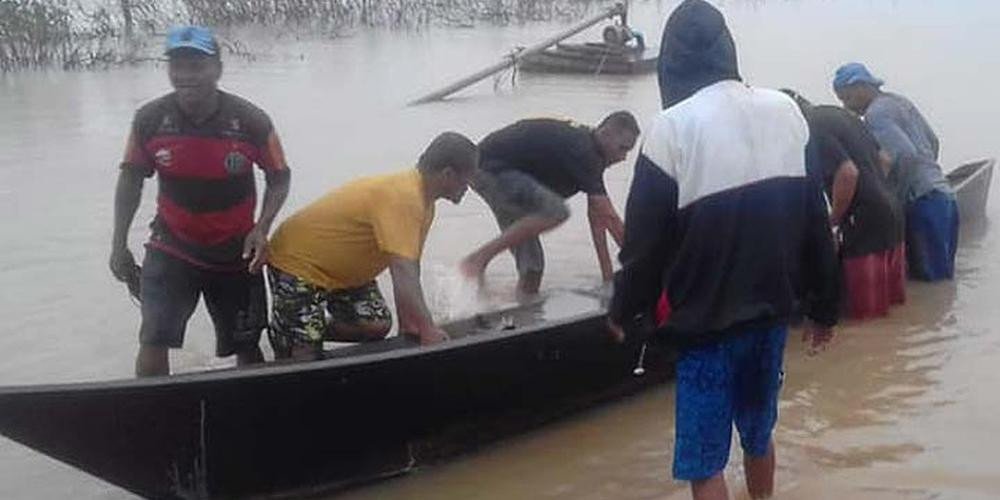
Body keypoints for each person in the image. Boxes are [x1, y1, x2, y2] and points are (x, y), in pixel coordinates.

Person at [607, 2, 839, 499]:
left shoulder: (671, 128)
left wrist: (626, 311)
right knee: (759, 434)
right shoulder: (787, 111)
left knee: (704, 462)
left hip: (705, 330)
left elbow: (643, 248)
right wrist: (825, 308)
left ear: (671, 63)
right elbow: (816, 223)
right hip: (772, 317)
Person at [109, 26, 291, 377]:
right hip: (172, 245)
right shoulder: (149, 120)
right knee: (153, 337)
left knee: (247, 343)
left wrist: (262, 227)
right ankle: (150, 413)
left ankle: (250, 411)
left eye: (197, 66)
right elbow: (131, 178)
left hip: (237, 250)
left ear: (217, 68)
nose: (186, 76)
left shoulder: (251, 120)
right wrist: (118, 246)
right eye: (177, 66)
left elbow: (279, 177)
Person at [265, 133, 477, 360]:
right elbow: (402, 271)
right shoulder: (404, 197)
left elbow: (409, 267)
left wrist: (410, 326)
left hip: (340, 273)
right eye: (467, 179)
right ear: (447, 174)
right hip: (298, 263)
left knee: (375, 325)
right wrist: (427, 328)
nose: (470, 187)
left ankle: (297, 328)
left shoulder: (426, 204)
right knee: (305, 355)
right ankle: (294, 334)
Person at [459, 112, 640, 295]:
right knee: (557, 212)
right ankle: (480, 258)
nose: (623, 157)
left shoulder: (594, 155)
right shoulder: (583, 151)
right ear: (605, 134)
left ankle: (491, 302)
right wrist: (642, 262)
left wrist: (608, 280)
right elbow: (611, 218)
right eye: (622, 149)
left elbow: (598, 220)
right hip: (489, 169)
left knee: (533, 269)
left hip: (498, 172)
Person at [782, 89, 906, 319]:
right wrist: (875, 193)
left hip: (863, 224)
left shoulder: (811, 127)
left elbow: (847, 173)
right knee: (892, 316)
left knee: (867, 320)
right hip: (893, 215)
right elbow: (885, 159)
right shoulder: (841, 115)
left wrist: (835, 220)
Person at [833, 62, 958, 281]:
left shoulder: (875, 115)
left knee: (929, 281)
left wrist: (891, 195)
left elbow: (902, 155)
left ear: (862, 86)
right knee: (943, 283)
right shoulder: (900, 102)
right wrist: (926, 174)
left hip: (922, 204)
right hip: (944, 196)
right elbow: (933, 141)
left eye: (848, 98)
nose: (847, 107)